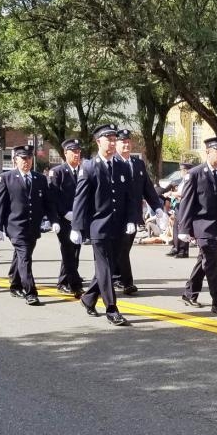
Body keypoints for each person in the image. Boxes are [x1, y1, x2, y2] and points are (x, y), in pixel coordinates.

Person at [71, 124, 141, 326]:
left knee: (109, 268)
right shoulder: (89, 166)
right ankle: (112, 308)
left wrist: (131, 219)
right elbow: (81, 198)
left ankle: (88, 298)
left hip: (118, 227)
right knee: (104, 267)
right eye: (108, 139)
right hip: (99, 227)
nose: (112, 143)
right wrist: (77, 226)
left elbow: (130, 197)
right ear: (98, 141)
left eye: (113, 139)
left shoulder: (121, 166)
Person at [177, 137, 217, 314]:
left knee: (204, 260)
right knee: (212, 263)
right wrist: (183, 229)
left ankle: (189, 293)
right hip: (202, 227)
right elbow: (187, 203)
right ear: (207, 152)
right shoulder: (195, 174)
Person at [0, 145, 59, 305]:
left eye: (29, 158)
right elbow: (0, 204)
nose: (26, 162)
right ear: (15, 160)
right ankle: (30, 291)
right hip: (15, 226)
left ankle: (15, 284)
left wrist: (54, 219)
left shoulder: (39, 178)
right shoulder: (6, 178)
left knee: (21, 255)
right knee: (25, 257)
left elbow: (48, 203)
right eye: (23, 158)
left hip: (33, 226)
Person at [113, 128, 167, 295]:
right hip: (116, 214)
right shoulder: (112, 163)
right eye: (123, 141)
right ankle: (125, 281)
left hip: (134, 214)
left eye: (128, 141)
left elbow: (147, 187)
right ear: (116, 144)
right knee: (120, 248)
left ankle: (116, 277)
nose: (126, 144)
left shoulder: (138, 163)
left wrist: (157, 207)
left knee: (124, 248)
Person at [48, 138, 86, 296]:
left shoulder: (83, 171)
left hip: (78, 219)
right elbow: (53, 197)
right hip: (63, 219)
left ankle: (64, 280)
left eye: (78, 151)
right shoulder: (57, 172)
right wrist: (63, 213)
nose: (77, 155)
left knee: (75, 250)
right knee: (68, 250)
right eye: (73, 152)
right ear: (65, 153)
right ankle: (74, 283)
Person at [165, 162, 194, 258]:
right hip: (179, 205)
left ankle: (183, 250)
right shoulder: (183, 180)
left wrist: (171, 194)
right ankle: (176, 247)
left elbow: (182, 193)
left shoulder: (189, 180)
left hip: (184, 206)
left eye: (182, 170)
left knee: (182, 228)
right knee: (176, 228)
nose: (181, 172)